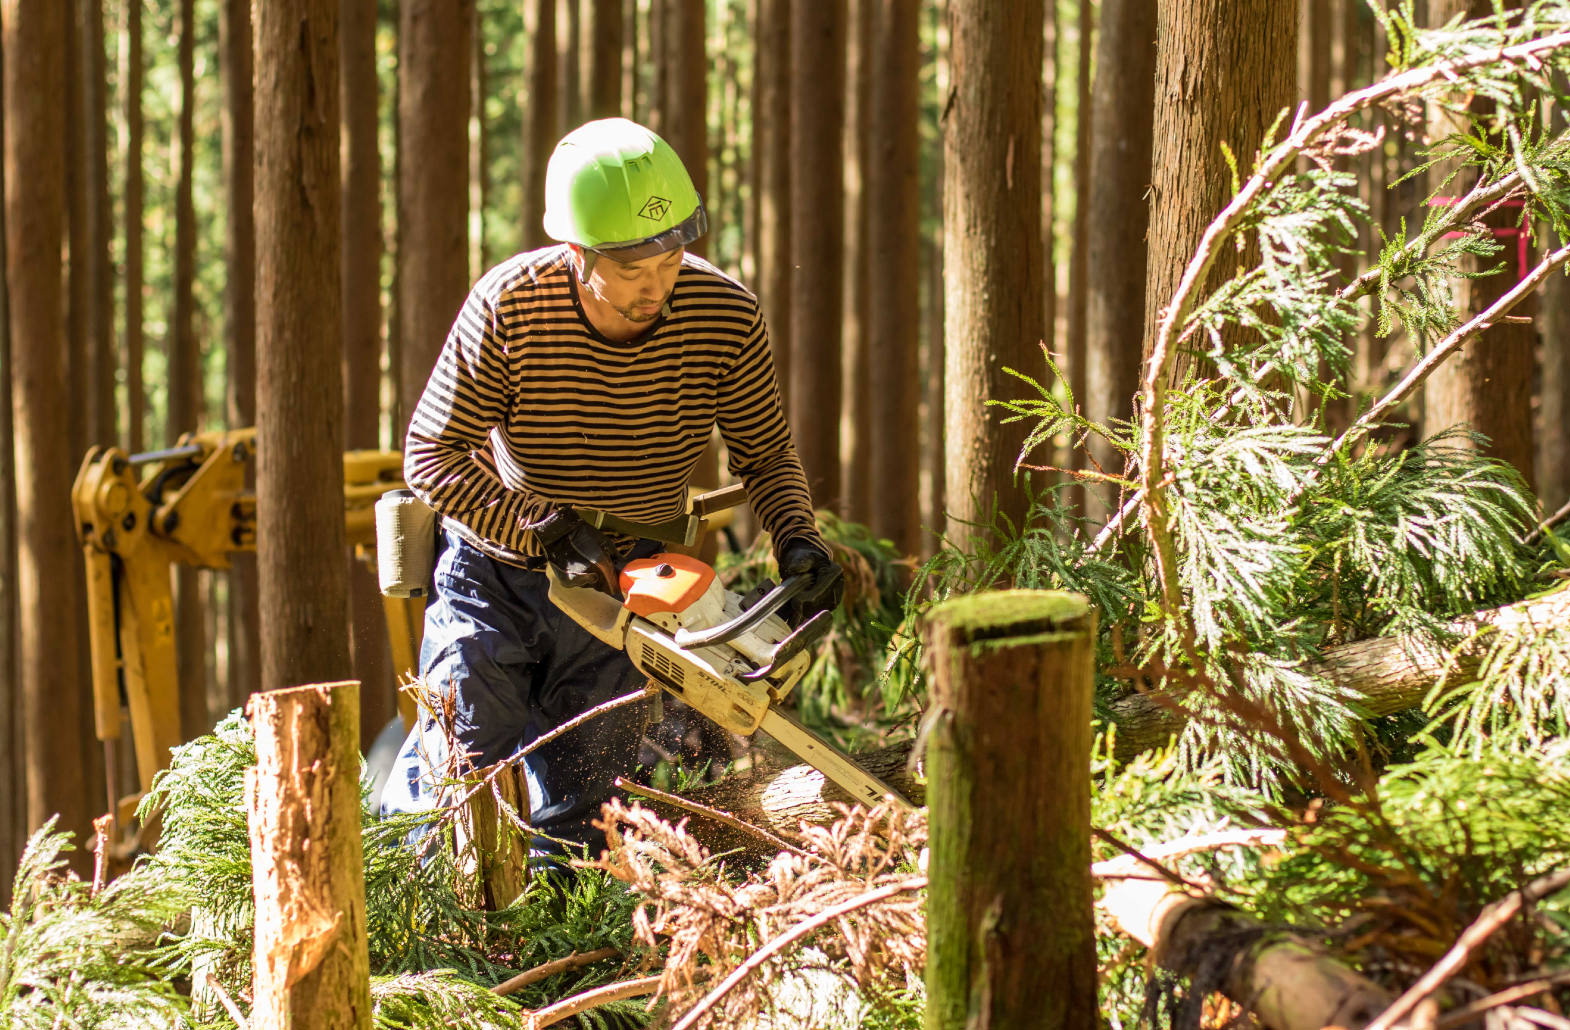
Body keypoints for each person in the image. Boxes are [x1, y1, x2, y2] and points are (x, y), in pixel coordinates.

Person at [379, 118, 842, 858]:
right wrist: (538, 526)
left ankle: (555, 966)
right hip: (493, 579)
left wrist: (798, 539)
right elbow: (430, 455)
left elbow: (768, 454)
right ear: (578, 253)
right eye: (632, 269)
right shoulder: (512, 308)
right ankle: (426, 952)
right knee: (458, 784)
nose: (657, 284)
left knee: (590, 809)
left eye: (671, 257)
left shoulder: (723, 316)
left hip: (622, 593)